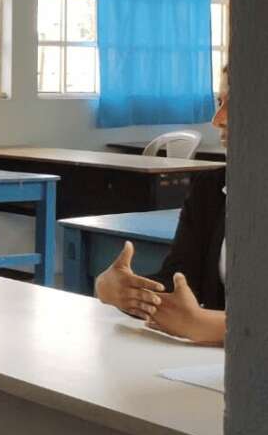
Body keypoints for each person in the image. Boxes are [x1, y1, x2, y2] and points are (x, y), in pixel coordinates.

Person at [94, 66, 228, 345]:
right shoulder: (212, 188)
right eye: (220, 102)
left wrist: (210, 326)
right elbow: (181, 279)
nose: (218, 120)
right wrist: (123, 291)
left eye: (236, 103)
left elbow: (197, 321)